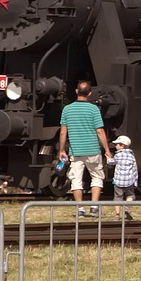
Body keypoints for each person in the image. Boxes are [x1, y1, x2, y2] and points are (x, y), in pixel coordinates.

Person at [57, 81, 112, 218]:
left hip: (76, 151)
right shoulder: (94, 110)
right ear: (89, 93)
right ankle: (94, 208)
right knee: (97, 178)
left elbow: (63, 132)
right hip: (92, 149)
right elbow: (100, 131)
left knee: (76, 180)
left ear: (76, 91)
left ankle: (80, 209)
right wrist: (107, 149)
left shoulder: (67, 109)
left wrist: (62, 150)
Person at [108, 135, 138, 220]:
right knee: (131, 195)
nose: (115, 146)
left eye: (116, 144)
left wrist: (108, 158)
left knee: (118, 197)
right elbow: (135, 169)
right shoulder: (131, 156)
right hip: (129, 180)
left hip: (118, 181)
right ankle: (127, 207)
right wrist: (135, 181)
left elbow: (111, 163)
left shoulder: (118, 155)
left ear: (122, 145)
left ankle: (117, 215)